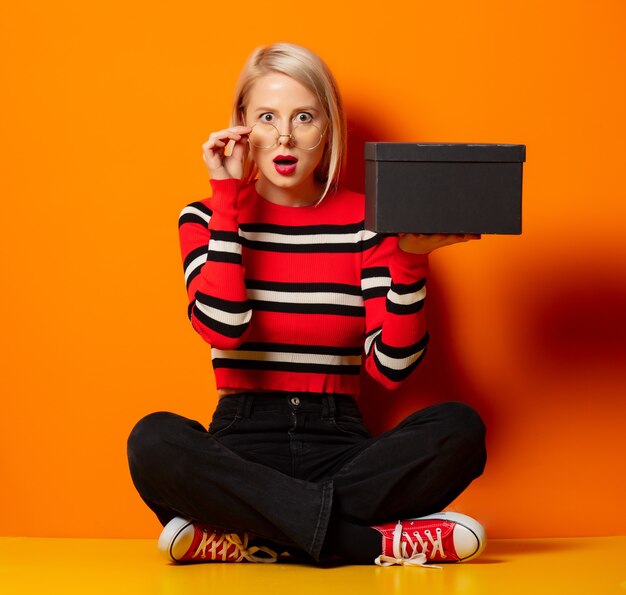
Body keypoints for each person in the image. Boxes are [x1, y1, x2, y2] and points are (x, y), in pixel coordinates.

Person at [127, 42, 487, 567]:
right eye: (267, 117)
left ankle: (248, 537)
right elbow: (223, 329)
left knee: (460, 428)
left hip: (340, 441)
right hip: (241, 443)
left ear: (329, 128)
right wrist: (227, 199)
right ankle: (371, 544)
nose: (286, 136)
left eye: (304, 117)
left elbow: (389, 369)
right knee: (154, 441)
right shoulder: (204, 216)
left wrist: (410, 262)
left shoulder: (370, 221)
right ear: (241, 126)